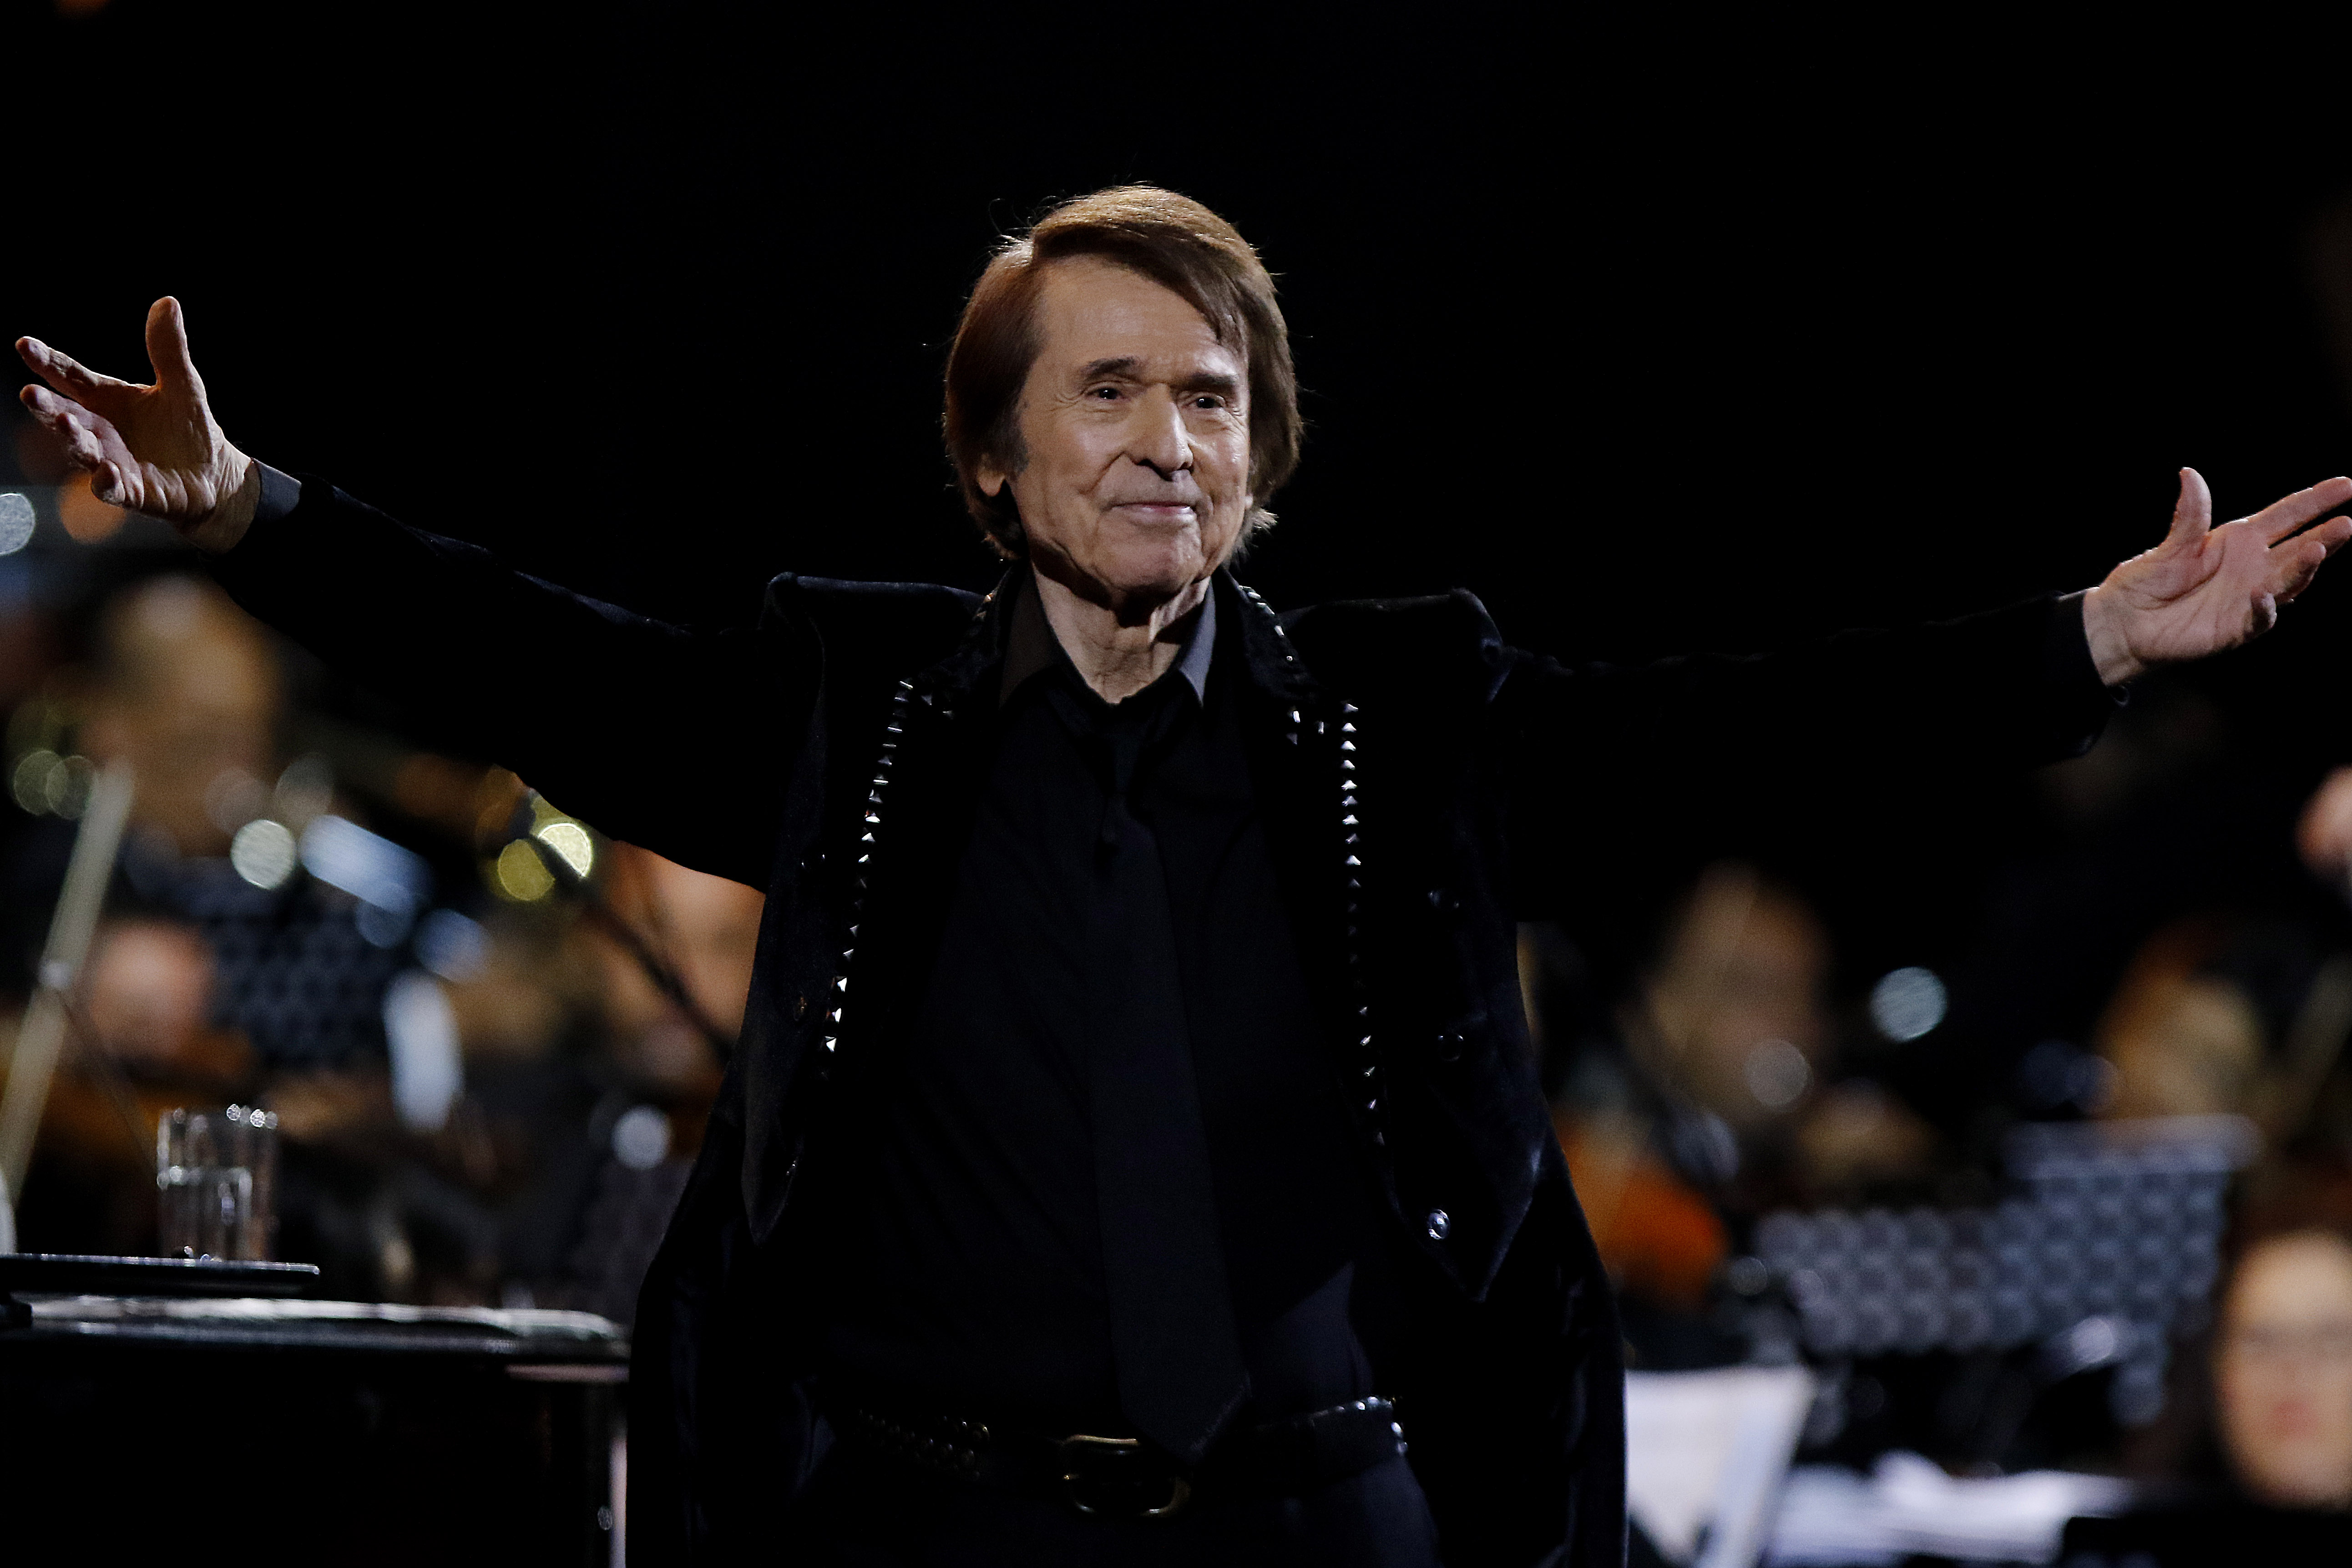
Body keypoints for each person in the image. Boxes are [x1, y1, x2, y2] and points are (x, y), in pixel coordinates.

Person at [15, 186, 2351, 1567]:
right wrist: (259, 515)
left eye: (1213, 396)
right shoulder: (856, 706)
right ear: (991, 459)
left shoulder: (1397, 716)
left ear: (1264, 456)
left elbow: (1735, 729)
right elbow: (536, 653)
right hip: (922, 1533)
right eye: (1110, 390)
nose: (1169, 439)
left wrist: (2083, 640)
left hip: (1320, 1528)